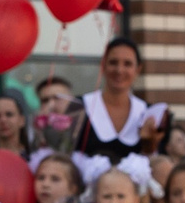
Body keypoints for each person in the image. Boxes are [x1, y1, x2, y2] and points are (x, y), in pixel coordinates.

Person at [72, 35, 168, 191]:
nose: (119, 70)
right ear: (103, 66)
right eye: (113, 62)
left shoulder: (150, 114)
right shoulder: (79, 108)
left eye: (127, 64)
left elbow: (155, 169)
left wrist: (149, 145)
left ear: (138, 69)